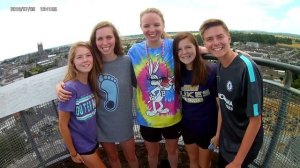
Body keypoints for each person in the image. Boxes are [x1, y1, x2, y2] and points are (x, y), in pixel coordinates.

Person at [57, 21, 139, 168]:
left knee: (131, 157)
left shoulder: (127, 61)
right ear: (95, 42)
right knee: (113, 158)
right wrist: (59, 86)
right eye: (99, 38)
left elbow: (142, 85)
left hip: (124, 122)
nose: (105, 42)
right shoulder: (93, 65)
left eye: (109, 37)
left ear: (115, 38)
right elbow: (76, 79)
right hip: (102, 124)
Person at [199, 19, 264, 168]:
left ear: (229, 38)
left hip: (242, 146)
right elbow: (223, 103)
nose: (215, 42)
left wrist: (238, 162)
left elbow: (255, 121)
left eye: (220, 37)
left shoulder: (246, 68)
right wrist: (218, 134)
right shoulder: (220, 64)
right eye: (209, 39)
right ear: (205, 43)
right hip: (227, 139)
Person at [127, 8, 183, 168]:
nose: (152, 30)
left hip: (172, 116)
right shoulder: (134, 51)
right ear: (141, 27)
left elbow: (195, 50)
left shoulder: (174, 46)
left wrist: (232, 52)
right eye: (146, 26)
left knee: (172, 151)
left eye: (156, 24)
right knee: (152, 153)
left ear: (163, 25)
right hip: (147, 118)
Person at [172, 32, 222, 168]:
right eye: (179, 49)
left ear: (196, 47)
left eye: (188, 47)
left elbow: (221, 108)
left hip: (208, 129)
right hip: (188, 127)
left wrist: (218, 134)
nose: (184, 52)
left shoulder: (211, 71)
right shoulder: (178, 73)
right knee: (193, 161)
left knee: (204, 164)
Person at [58, 41, 106, 168]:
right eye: (79, 57)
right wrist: (73, 153)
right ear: (73, 62)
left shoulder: (91, 82)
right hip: (81, 145)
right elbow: (62, 125)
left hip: (93, 140)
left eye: (88, 55)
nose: (85, 60)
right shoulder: (69, 89)